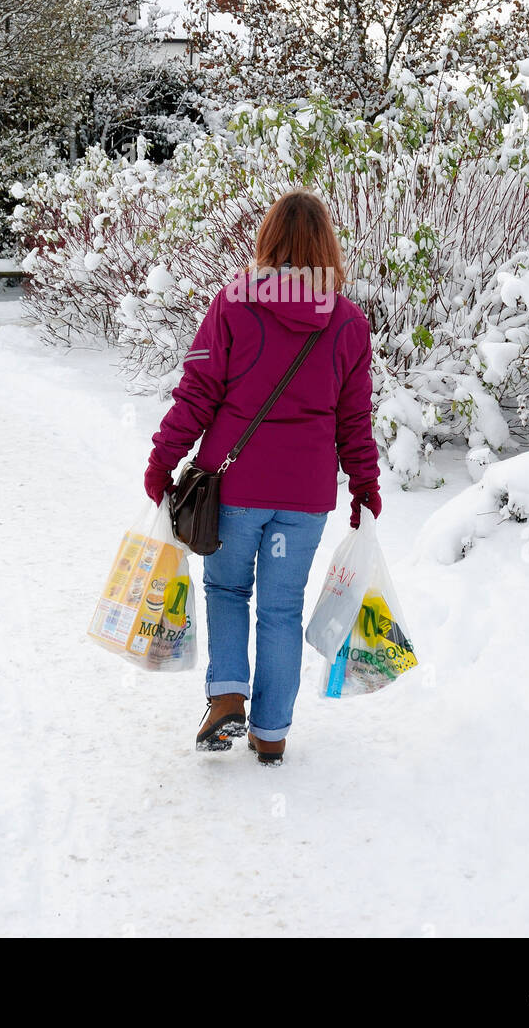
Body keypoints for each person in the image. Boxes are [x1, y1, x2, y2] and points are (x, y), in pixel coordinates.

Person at [144, 189, 380, 764]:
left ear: (267, 240)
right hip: (303, 499)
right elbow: (354, 419)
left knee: (227, 589)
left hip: (236, 488)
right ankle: (271, 732)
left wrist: (164, 457)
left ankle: (228, 698)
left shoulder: (234, 304)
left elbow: (198, 394)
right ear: (327, 247)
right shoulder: (348, 323)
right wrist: (365, 486)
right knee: (281, 607)